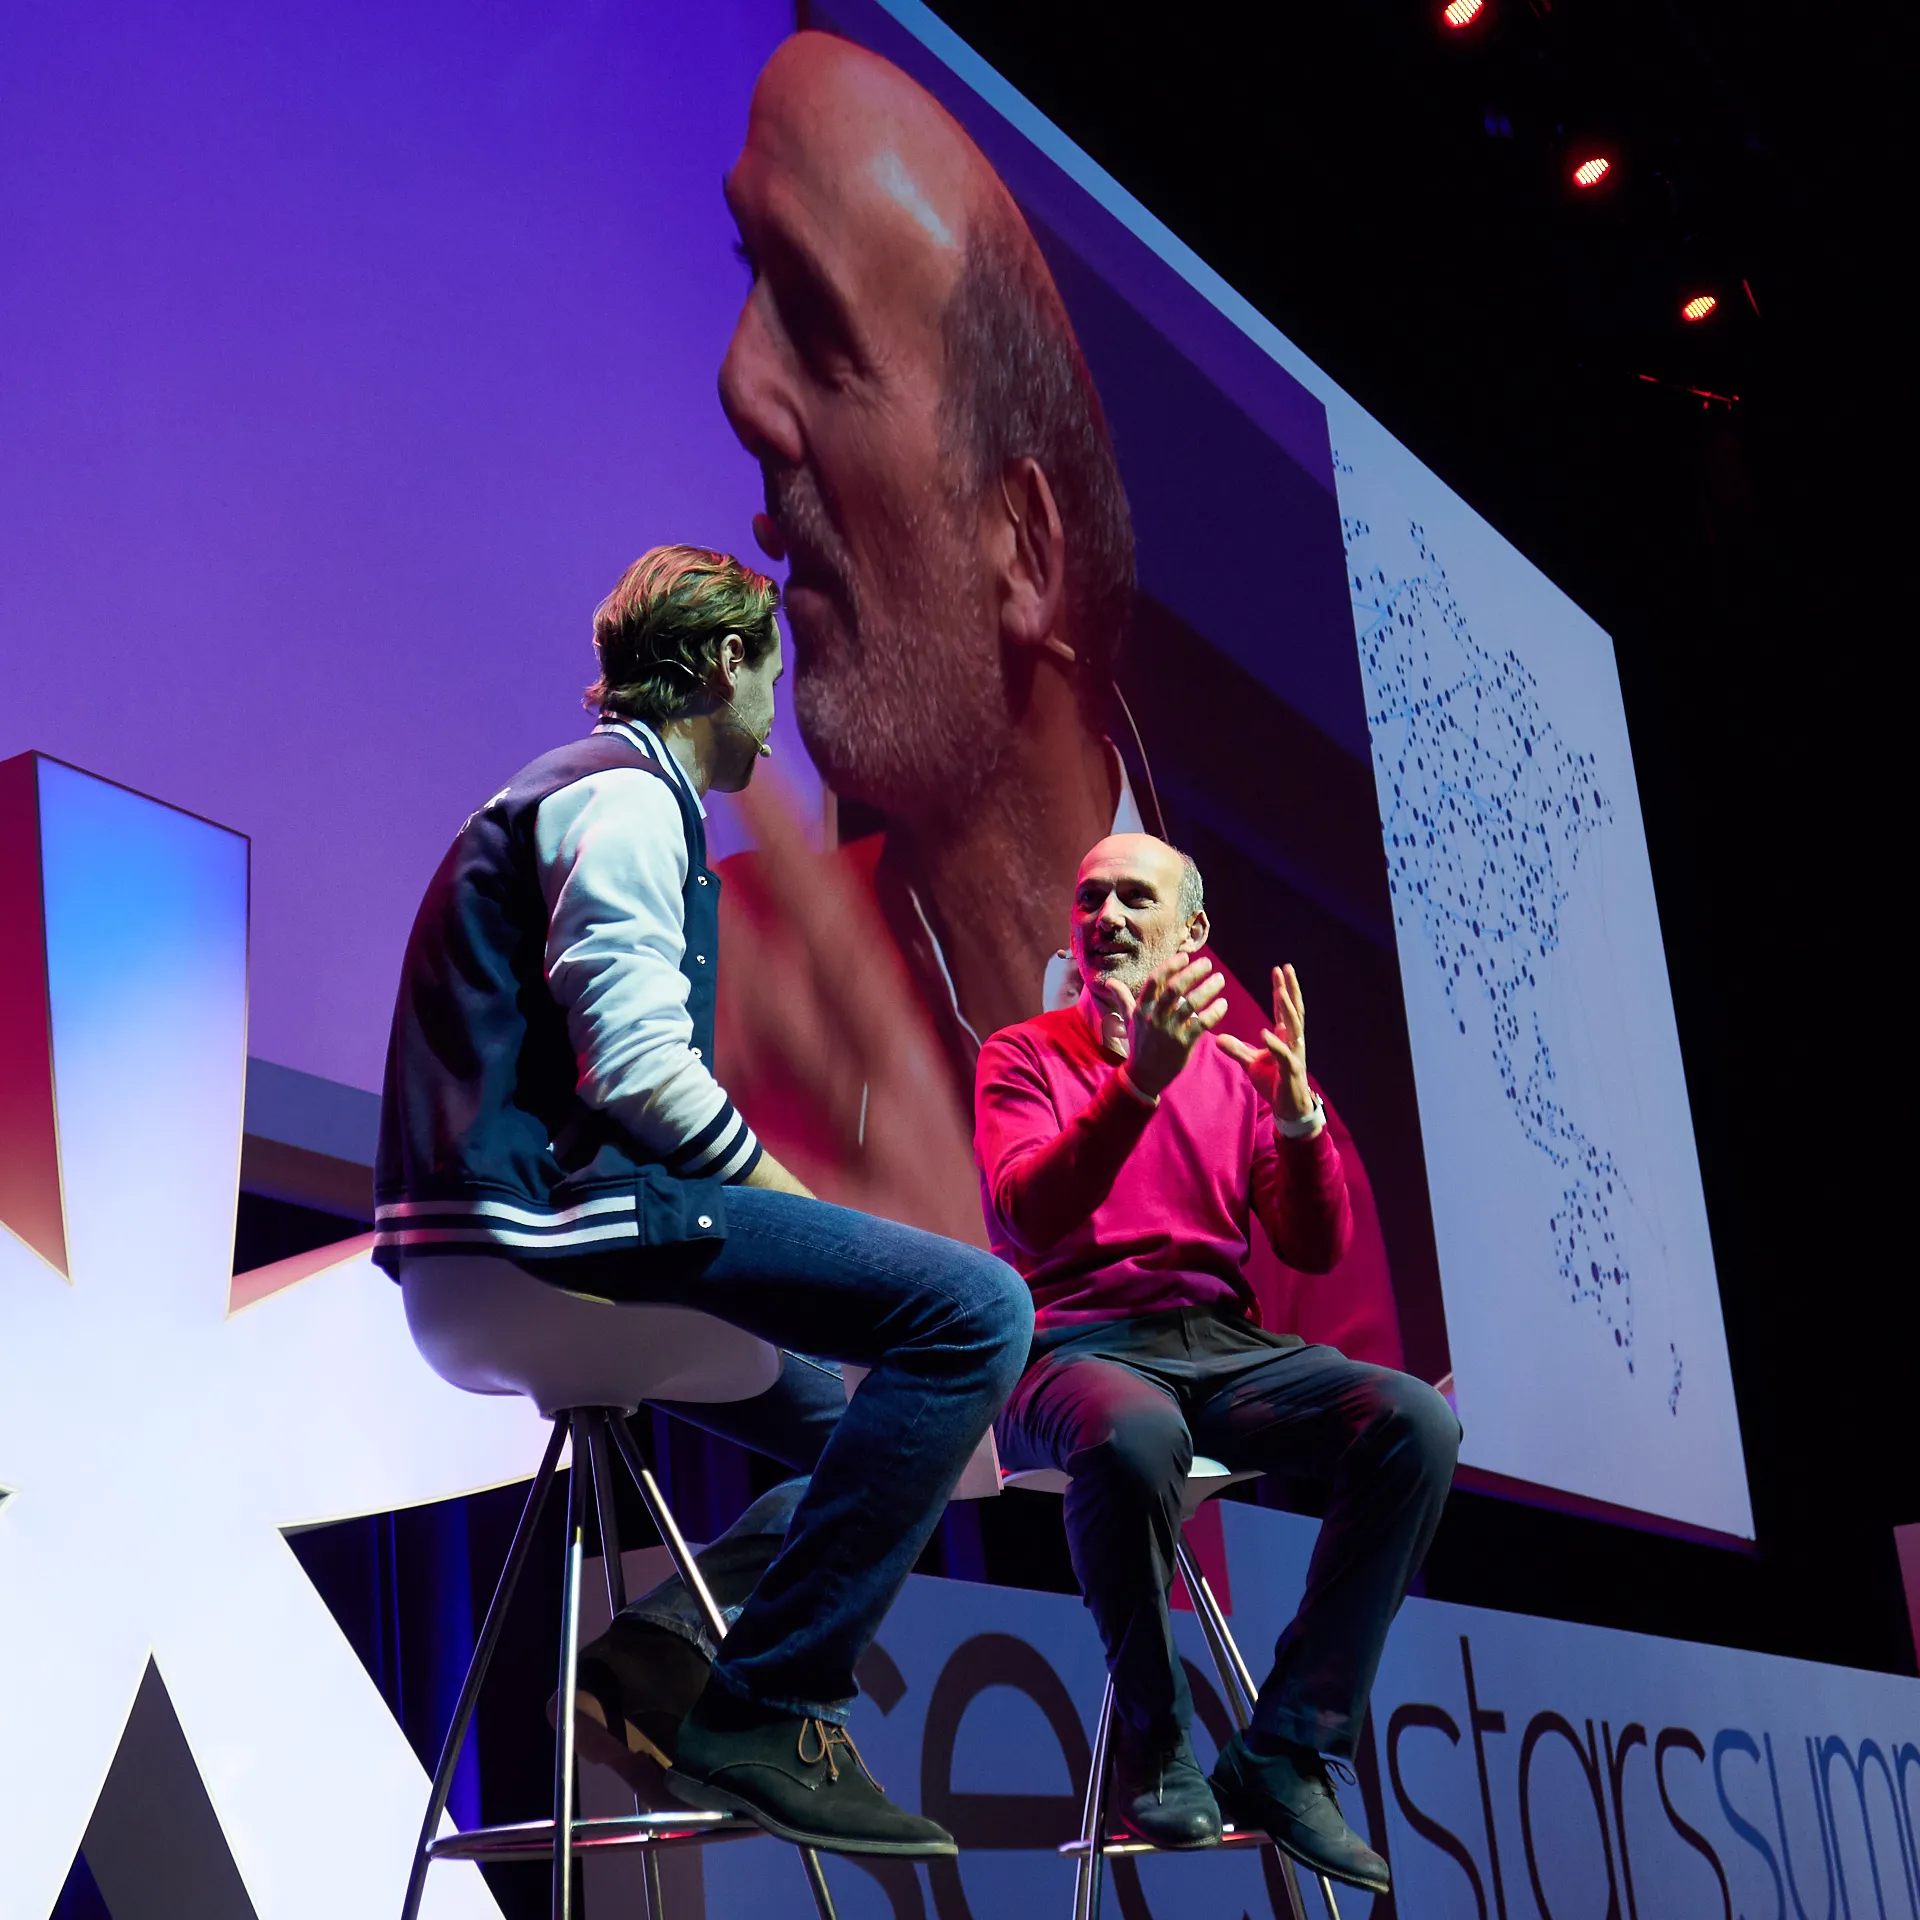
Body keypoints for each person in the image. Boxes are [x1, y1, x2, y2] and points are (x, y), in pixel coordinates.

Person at [714, 30, 1406, 1367]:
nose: (742, 388)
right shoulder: (716, 983)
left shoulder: (1281, 1113)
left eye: (816, 319)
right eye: (751, 278)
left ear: (1024, 551)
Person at [372, 545, 1031, 1857]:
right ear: (725, 662)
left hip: (528, 1238)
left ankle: (666, 1650)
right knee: (977, 1310)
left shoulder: (613, 801)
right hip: (545, 1232)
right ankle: (773, 1700)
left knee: (936, 1448)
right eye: (772, 669)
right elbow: (640, 1074)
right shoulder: (620, 802)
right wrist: (807, 1217)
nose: (779, 707)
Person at [973, 832, 1459, 1891]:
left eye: (1132, 899)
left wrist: (1296, 1119)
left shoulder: (1231, 1075)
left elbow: (1313, 1247)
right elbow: (1029, 1216)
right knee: (1136, 1435)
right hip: (1072, 1345)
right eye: (1088, 897)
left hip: (1220, 1346)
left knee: (1417, 1424)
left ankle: (1288, 1749)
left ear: (1190, 933)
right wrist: (1136, 1088)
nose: (1104, 916)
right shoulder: (1020, 1054)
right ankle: (1158, 1739)